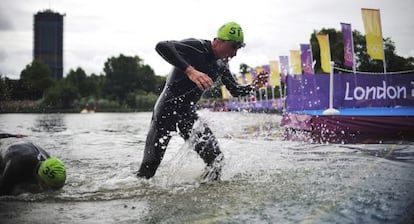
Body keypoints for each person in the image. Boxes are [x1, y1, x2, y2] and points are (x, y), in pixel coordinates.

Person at [136, 22, 268, 181]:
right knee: (147, 172)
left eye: (238, 48)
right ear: (218, 41)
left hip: (187, 116)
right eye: (233, 47)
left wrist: (254, 86)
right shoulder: (197, 47)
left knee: (216, 162)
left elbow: (235, 90)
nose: (234, 53)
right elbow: (162, 46)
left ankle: (204, 198)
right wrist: (190, 71)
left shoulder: (222, 64)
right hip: (166, 113)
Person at [0, 133, 66, 196]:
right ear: (42, 180)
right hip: (8, 150)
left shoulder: (49, 162)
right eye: (51, 187)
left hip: (21, 144)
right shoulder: (16, 166)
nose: (53, 191)